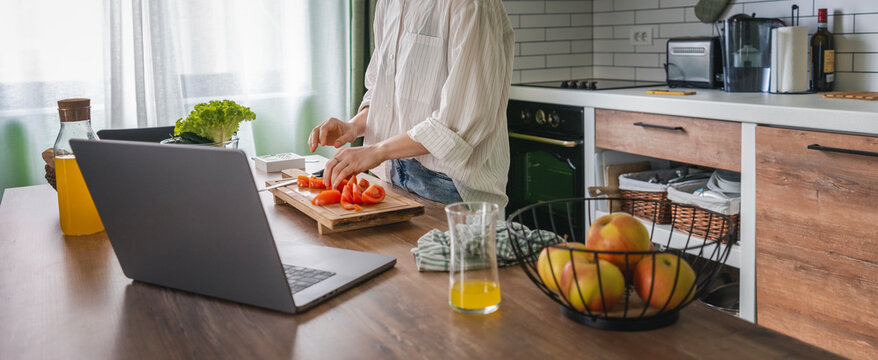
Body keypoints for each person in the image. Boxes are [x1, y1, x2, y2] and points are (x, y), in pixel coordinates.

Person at [308, 0, 513, 207]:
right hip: (390, 176)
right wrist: (352, 127)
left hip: (450, 186)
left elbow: (462, 122)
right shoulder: (388, 3)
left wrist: (377, 151)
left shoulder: (471, 5)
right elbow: (381, 95)